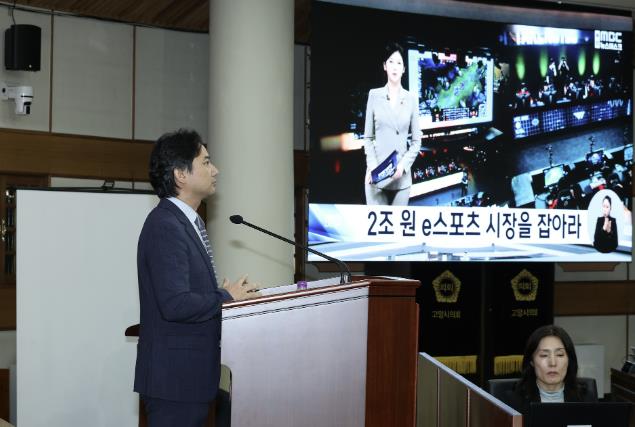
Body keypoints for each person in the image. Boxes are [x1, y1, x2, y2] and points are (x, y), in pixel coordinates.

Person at [134, 129, 259, 427]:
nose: (215, 170)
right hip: (174, 381)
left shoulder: (185, 222)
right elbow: (175, 304)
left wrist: (221, 297)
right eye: (205, 162)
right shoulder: (166, 225)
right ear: (180, 175)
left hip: (189, 378)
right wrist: (225, 297)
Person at [363, 42, 422, 205]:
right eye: (391, 62)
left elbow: (417, 141)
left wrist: (402, 166)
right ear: (385, 66)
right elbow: (367, 138)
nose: (395, 67)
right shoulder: (374, 95)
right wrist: (373, 167)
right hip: (376, 178)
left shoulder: (411, 99)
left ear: (404, 69)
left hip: (401, 180)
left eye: (399, 63)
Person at [500, 325, 597, 415]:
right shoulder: (512, 403)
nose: (552, 363)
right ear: (531, 361)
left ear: (569, 360)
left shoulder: (586, 398)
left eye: (560, 355)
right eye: (544, 355)